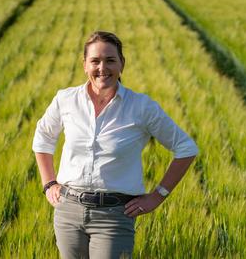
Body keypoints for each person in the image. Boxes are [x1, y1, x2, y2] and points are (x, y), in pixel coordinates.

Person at [32, 31, 198, 259]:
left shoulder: (141, 106)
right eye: (95, 61)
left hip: (114, 216)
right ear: (84, 65)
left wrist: (158, 196)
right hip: (68, 210)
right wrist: (49, 182)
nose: (103, 68)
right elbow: (43, 136)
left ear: (122, 64)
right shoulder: (66, 99)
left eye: (110, 60)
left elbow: (186, 148)